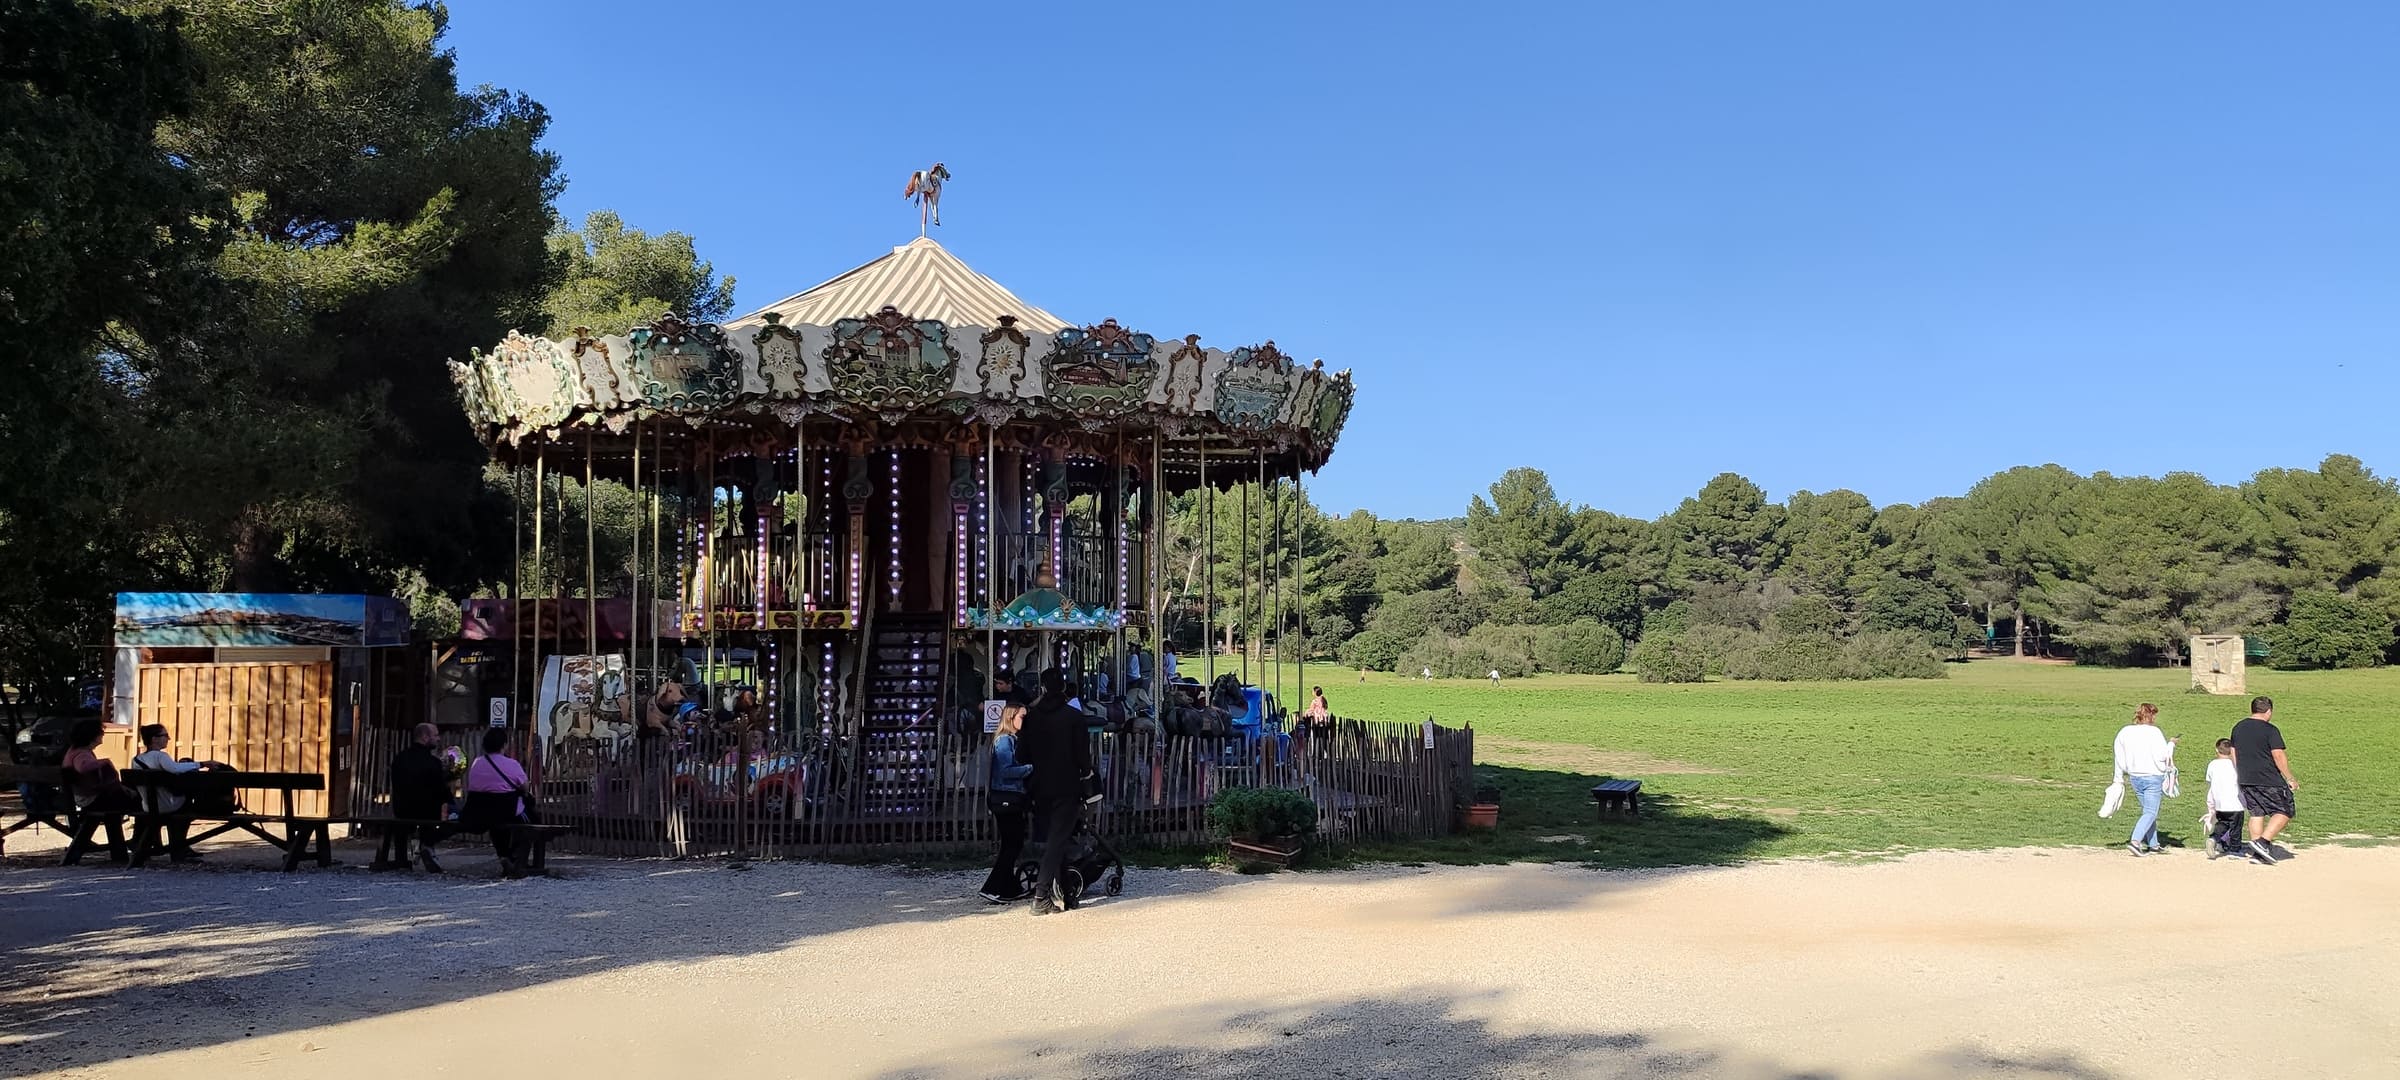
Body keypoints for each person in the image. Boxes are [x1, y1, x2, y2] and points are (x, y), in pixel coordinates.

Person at [1018, 668, 1093, 915]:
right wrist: (1086, 774)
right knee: (1058, 839)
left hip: (1039, 785)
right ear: (1063, 687)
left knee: (1056, 837)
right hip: (1066, 784)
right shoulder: (1074, 717)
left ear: (1042, 688)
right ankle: (1041, 895)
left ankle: (1067, 892)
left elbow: (1022, 754)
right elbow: (1083, 755)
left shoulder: (1032, 718)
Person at [128, 724, 226, 864]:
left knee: (183, 805)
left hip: (148, 806)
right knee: (188, 804)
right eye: (165, 735)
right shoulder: (160, 756)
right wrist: (201, 764)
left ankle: (177, 848)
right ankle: (179, 849)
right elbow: (175, 768)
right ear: (154, 739)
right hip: (168, 805)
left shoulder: (136, 759)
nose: (168, 739)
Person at [977, 701, 1036, 903]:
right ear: (1011, 718)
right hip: (1006, 796)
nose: (1025, 721)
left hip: (1008, 797)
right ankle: (992, 887)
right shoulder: (1004, 741)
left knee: (1012, 843)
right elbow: (1005, 771)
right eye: (1022, 717)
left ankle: (1010, 888)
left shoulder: (1011, 740)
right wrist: (1030, 768)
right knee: (1013, 844)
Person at [2230, 695, 2298, 864]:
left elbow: (2233, 752)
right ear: (2268, 711)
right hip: (2268, 778)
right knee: (2285, 810)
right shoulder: (2270, 730)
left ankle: (2258, 854)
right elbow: (2278, 755)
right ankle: (2263, 842)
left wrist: (2240, 772)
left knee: (2257, 812)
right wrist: (2289, 777)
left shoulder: (2238, 727)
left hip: (2245, 778)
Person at [462, 728, 538, 878]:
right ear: (504, 744)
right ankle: (516, 859)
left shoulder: (477, 763)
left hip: (480, 812)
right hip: (507, 811)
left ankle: (504, 855)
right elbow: (525, 787)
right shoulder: (512, 764)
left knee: (496, 825)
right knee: (529, 822)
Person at [379, 723, 454, 873]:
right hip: (428, 812)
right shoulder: (433, 763)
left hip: (402, 810)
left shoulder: (399, 758)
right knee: (455, 816)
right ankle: (427, 844)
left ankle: (403, 859)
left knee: (405, 822)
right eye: (435, 735)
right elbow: (441, 791)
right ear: (425, 737)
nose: (438, 739)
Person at [61, 718, 135, 864]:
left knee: (115, 813)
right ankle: (140, 842)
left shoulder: (74, 751)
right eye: (101, 733)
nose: (103, 735)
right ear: (92, 736)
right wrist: (104, 762)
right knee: (144, 803)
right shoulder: (81, 754)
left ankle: (121, 852)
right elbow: (83, 767)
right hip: (92, 800)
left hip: (87, 798)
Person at [2111, 703, 2178, 856]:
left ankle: (2154, 844)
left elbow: (2118, 755)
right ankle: (2135, 841)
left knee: (2148, 811)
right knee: (2150, 812)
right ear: (2151, 716)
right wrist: (2171, 744)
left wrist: (2118, 776)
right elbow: (2163, 755)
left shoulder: (2125, 732)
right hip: (2152, 776)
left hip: (2135, 776)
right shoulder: (2154, 732)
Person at [2203, 738, 2245, 860]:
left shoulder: (2212, 764)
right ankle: (2235, 849)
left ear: (2217, 750)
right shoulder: (2235, 765)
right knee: (2236, 826)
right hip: (2235, 802)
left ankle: (2214, 838)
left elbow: (2210, 781)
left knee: (2223, 823)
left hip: (2219, 801)